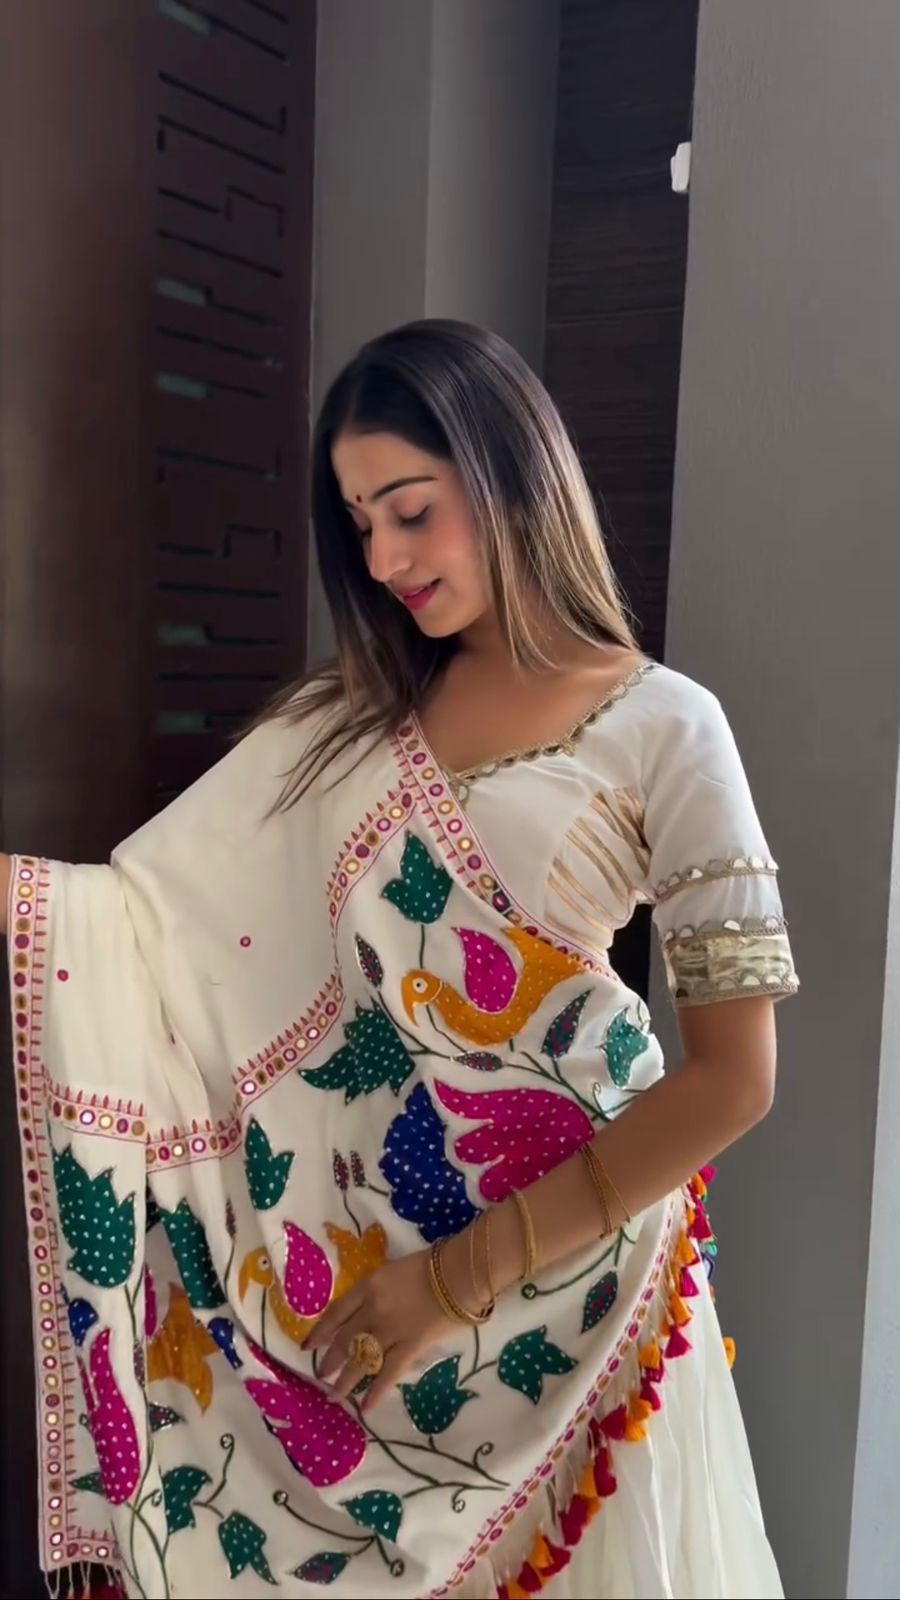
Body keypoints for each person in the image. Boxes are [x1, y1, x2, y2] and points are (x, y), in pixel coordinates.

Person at [1, 320, 797, 1600]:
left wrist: (460, 1279)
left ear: (512, 473)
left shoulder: (665, 726)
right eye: (360, 522)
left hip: (582, 1291)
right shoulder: (348, 719)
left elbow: (735, 1079)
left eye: (411, 510)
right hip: (369, 1278)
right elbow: (146, 920)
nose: (382, 560)